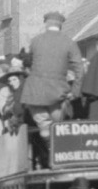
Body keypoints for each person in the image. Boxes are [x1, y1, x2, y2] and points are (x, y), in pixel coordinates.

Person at [20, 11, 83, 140]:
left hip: (35, 92)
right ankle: (54, 140)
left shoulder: (35, 41)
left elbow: (29, 63)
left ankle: (45, 128)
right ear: (60, 25)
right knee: (58, 125)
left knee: (43, 123)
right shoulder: (69, 42)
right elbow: (80, 70)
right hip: (57, 93)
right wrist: (75, 92)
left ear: (46, 24)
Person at [0, 64, 28, 136]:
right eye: (9, 81)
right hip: (12, 122)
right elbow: (3, 110)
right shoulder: (5, 91)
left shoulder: (28, 90)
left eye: (14, 79)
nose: (12, 83)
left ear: (20, 79)